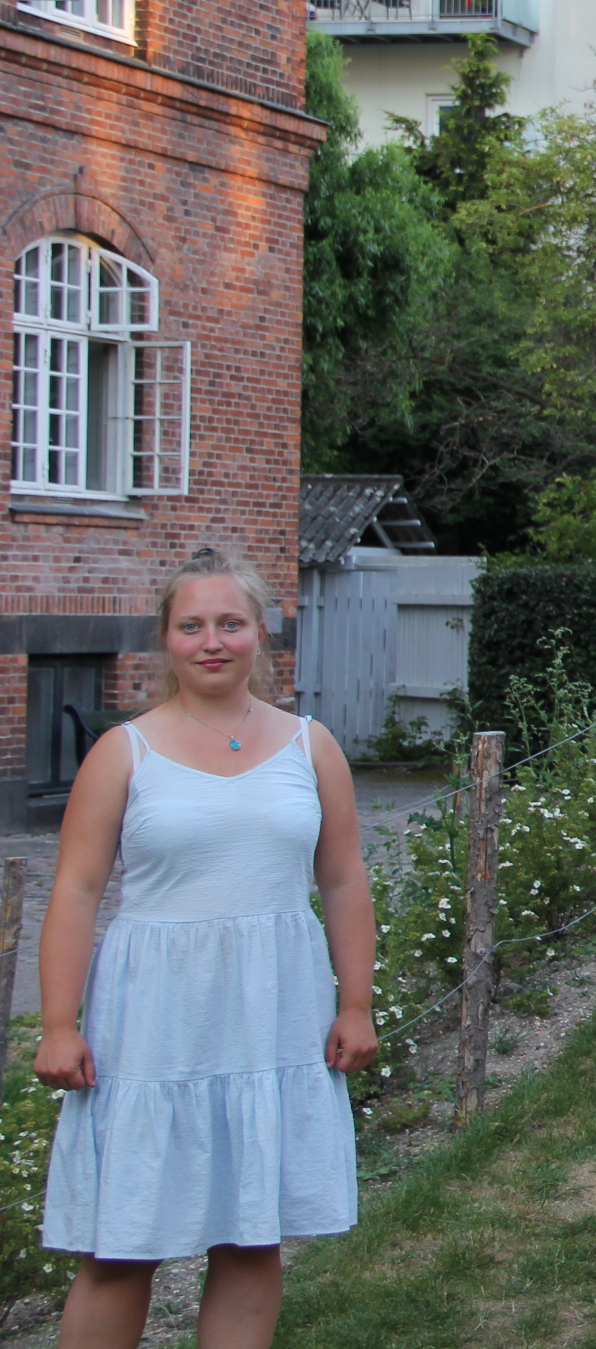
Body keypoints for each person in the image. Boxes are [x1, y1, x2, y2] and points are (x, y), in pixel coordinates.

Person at [36, 549, 377, 1349]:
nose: (212, 642)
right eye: (192, 626)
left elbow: (342, 881)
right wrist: (57, 1024)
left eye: (230, 623)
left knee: (252, 1237)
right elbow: (76, 891)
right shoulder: (124, 751)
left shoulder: (311, 746)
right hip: (152, 1020)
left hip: (272, 1014)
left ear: (262, 632)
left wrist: (356, 1004)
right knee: (121, 1244)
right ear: (166, 638)